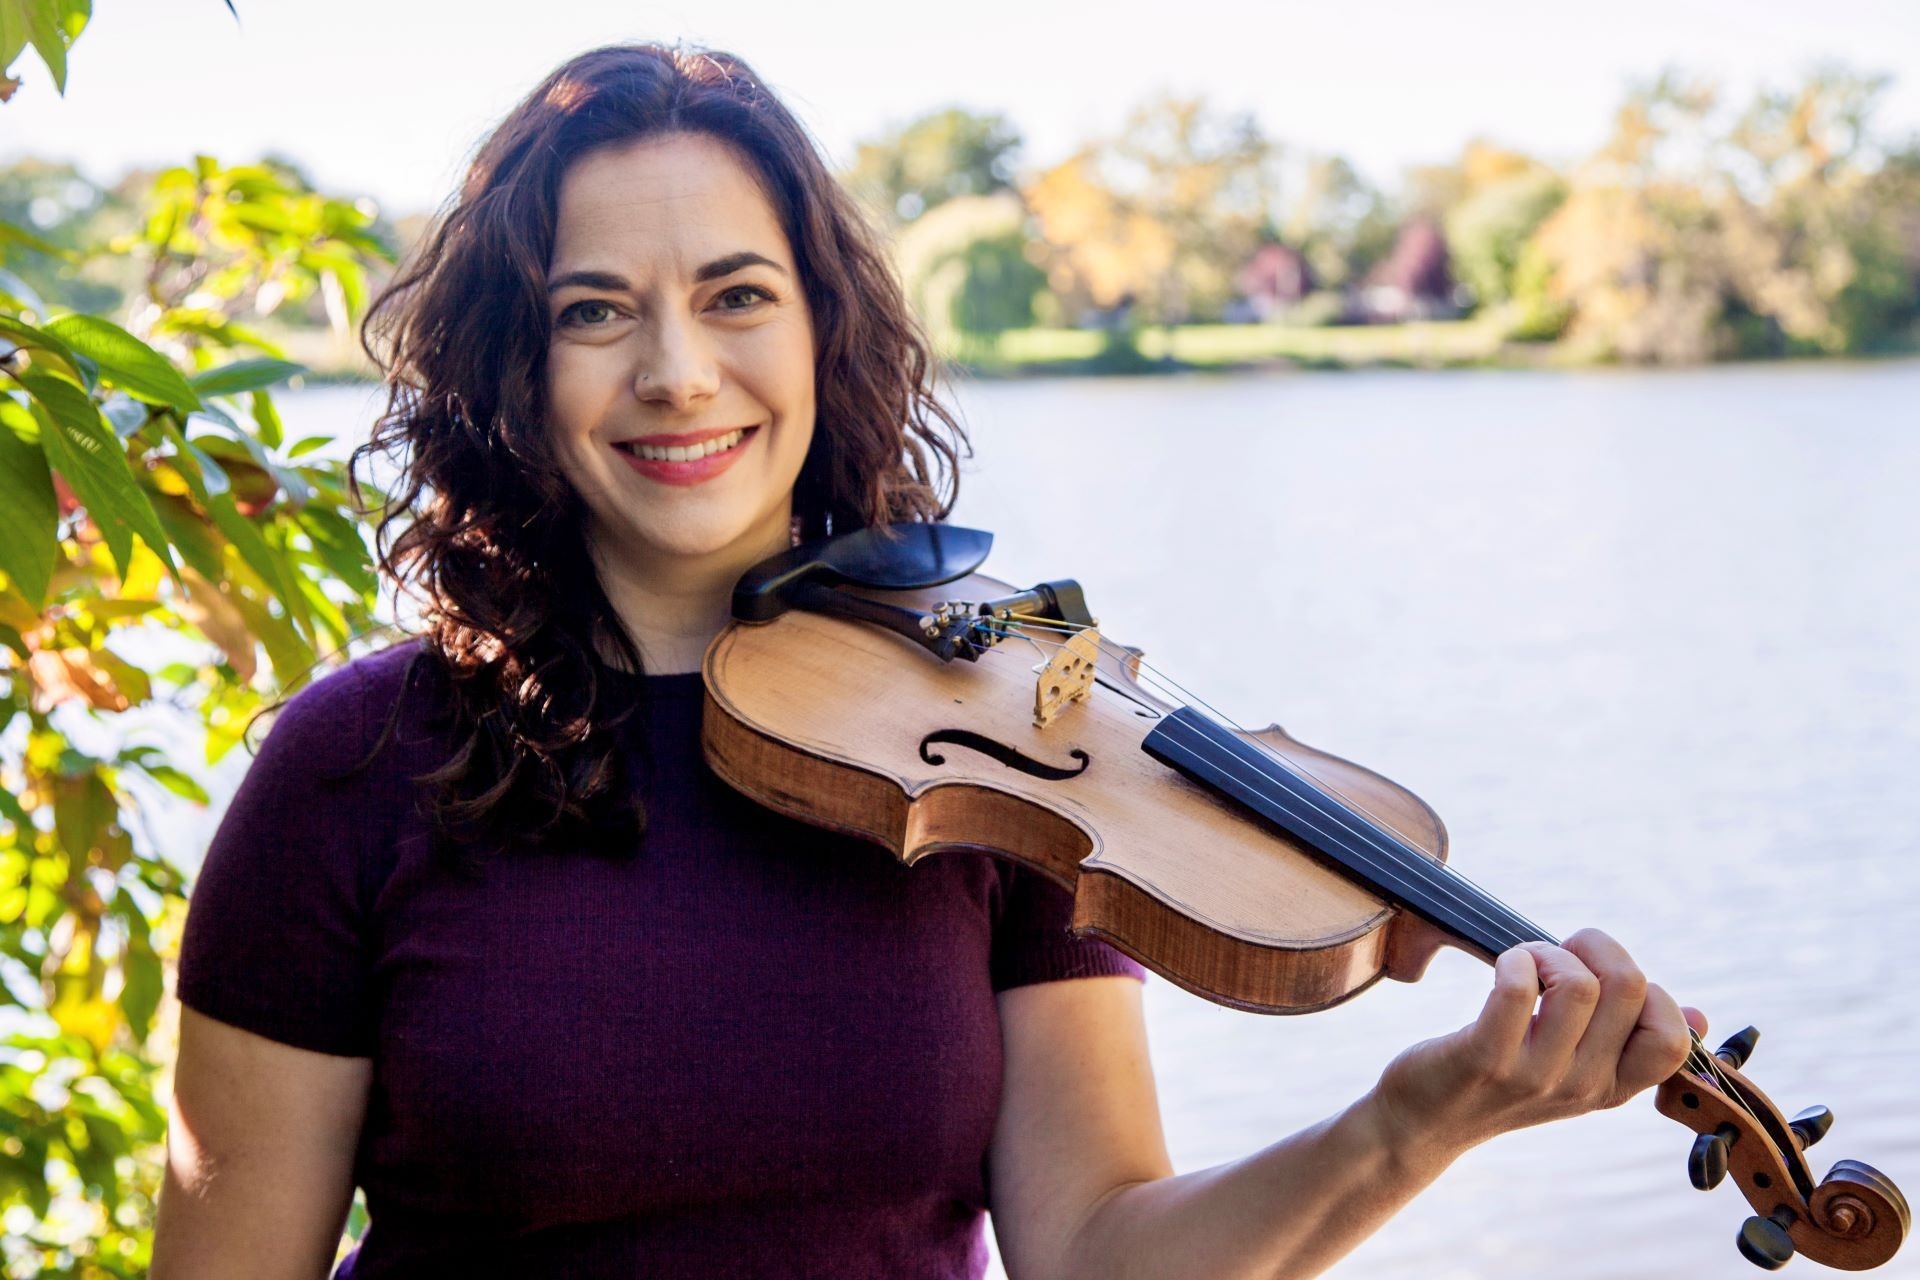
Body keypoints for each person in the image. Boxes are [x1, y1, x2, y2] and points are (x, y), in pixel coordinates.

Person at [150, 42, 1703, 1280]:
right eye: (594, 311)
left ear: (824, 330)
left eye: (737, 296)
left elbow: (1097, 1251)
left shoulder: (999, 742)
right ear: (515, 366)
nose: (677, 371)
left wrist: (1411, 1123)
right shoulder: (359, 770)